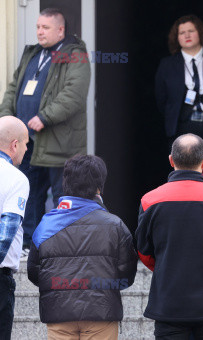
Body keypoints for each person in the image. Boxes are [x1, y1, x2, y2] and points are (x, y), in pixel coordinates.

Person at [0, 8, 91, 253]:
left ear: (60, 30)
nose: (39, 32)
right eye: (38, 27)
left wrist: (44, 117)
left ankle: (63, 246)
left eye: (45, 28)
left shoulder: (76, 55)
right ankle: (30, 243)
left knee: (64, 195)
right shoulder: (32, 53)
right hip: (26, 141)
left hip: (59, 143)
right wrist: (7, 117)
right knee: (28, 193)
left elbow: (74, 94)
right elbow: (13, 87)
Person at [136, 133, 203, 339]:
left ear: (171, 160)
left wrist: (166, 269)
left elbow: (144, 253)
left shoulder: (150, 201)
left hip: (169, 307)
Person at [26, 155, 137, 340]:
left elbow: (34, 272)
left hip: (58, 313)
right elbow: (126, 274)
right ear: (99, 187)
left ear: (65, 183)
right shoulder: (115, 225)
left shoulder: (46, 224)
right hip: (102, 313)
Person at [154, 15, 203, 183]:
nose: (187, 35)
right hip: (182, 128)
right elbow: (162, 101)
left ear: (200, 34)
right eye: (182, 33)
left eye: (191, 31)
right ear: (176, 37)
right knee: (184, 179)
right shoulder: (167, 65)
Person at [0, 116, 29, 340]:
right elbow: (6, 232)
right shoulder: (16, 179)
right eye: (26, 143)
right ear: (15, 145)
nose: (27, 149)